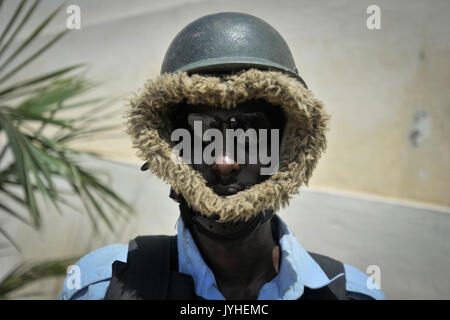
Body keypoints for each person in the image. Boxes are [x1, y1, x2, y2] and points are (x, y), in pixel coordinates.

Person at [59, 12, 386, 300]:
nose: (224, 163)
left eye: (251, 131)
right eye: (203, 133)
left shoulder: (355, 294)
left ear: (288, 150)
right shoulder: (101, 287)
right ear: (170, 149)